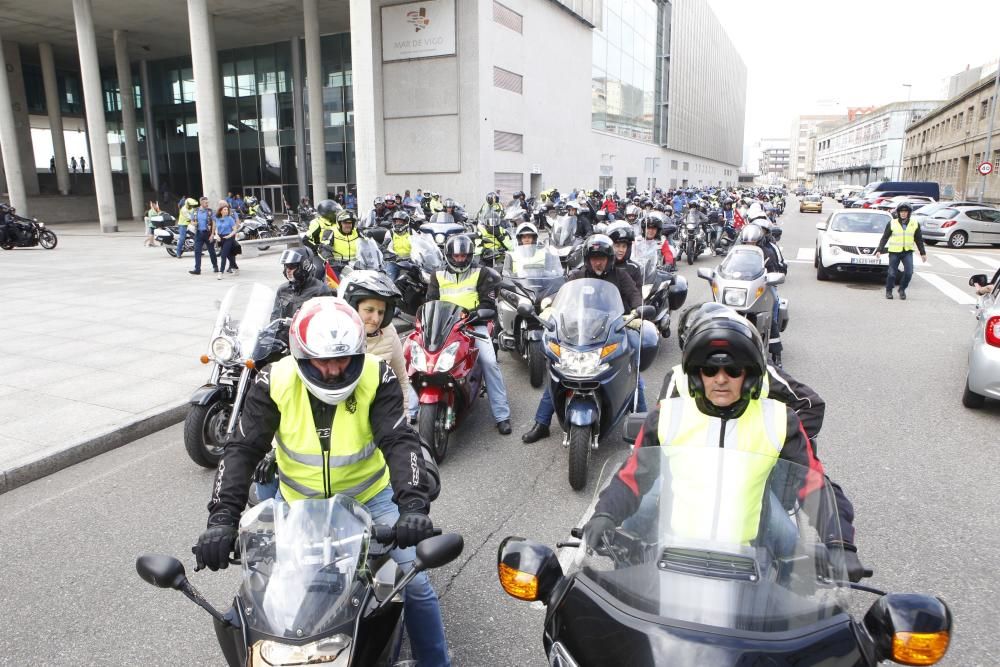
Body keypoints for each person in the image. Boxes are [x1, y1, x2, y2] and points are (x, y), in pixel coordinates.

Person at [196, 297, 450, 665]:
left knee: (415, 585)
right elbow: (241, 450)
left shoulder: (377, 376)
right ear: (302, 356)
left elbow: (399, 441)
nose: (333, 370)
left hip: (371, 498)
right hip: (296, 504)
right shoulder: (274, 379)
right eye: (323, 360)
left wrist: (412, 507)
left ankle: (436, 663)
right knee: (269, 595)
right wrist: (221, 520)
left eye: (343, 359)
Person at [583, 311, 867, 582]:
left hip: (749, 567)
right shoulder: (668, 416)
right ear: (696, 375)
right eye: (710, 369)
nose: (720, 379)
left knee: (792, 574)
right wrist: (605, 514)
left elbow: (815, 485)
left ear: (749, 376)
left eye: (732, 370)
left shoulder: (779, 422)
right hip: (673, 561)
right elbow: (631, 477)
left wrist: (840, 542)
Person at [522, 235, 644, 443]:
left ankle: (644, 429)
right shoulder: (578, 275)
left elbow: (635, 296)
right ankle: (541, 423)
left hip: (614, 330)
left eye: (602, 257)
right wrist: (549, 304)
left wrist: (637, 310)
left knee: (634, 370)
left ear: (609, 258)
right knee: (558, 373)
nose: (598, 262)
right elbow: (562, 295)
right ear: (588, 258)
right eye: (594, 257)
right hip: (580, 333)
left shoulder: (621, 276)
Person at [420, 234, 512, 434]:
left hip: (472, 325)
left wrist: (476, 315)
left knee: (489, 361)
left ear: (470, 255)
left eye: (464, 256)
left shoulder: (481, 273)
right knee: (420, 360)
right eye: (457, 256)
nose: (460, 259)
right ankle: (412, 411)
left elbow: (488, 303)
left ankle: (502, 415)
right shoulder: (437, 275)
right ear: (449, 255)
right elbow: (430, 302)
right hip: (445, 326)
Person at [875, 203, 927, 300]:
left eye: (905, 212)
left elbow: (919, 240)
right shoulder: (892, 223)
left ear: (909, 213)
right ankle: (889, 290)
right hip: (894, 252)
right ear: (898, 213)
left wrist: (923, 253)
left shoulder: (915, 224)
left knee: (909, 272)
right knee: (892, 273)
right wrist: (879, 250)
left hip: (907, 252)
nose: (903, 213)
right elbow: (885, 238)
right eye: (901, 212)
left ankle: (902, 289)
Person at [273, 247, 331, 319]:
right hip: (285, 330)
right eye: (286, 266)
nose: (287, 270)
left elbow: (326, 320)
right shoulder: (282, 289)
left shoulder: (321, 290)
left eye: (291, 266)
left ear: (305, 266)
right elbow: (275, 316)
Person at [190, 197, 219, 275]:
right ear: (201, 203)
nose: (207, 204)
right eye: (206, 203)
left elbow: (214, 223)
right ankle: (197, 269)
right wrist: (193, 223)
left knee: (211, 251)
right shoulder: (195, 211)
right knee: (197, 251)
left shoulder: (210, 211)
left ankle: (215, 266)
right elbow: (191, 221)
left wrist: (212, 234)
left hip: (208, 233)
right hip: (198, 233)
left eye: (207, 202)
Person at [384, 210, 413, 281]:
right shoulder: (390, 233)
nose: (398, 223)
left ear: (405, 222)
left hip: (410, 261)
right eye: (396, 221)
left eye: (400, 221)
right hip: (394, 262)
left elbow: (417, 245)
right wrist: (396, 257)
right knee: (390, 281)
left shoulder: (411, 232)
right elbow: (388, 248)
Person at [214, 201, 240, 279]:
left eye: (227, 209)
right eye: (224, 209)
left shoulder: (230, 219)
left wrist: (229, 235)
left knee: (223, 255)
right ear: (220, 211)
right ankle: (235, 267)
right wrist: (216, 235)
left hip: (229, 238)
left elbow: (235, 230)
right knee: (229, 255)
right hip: (221, 238)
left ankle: (220, 272)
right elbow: (216, 228)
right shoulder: (217, 218)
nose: (226, 211)